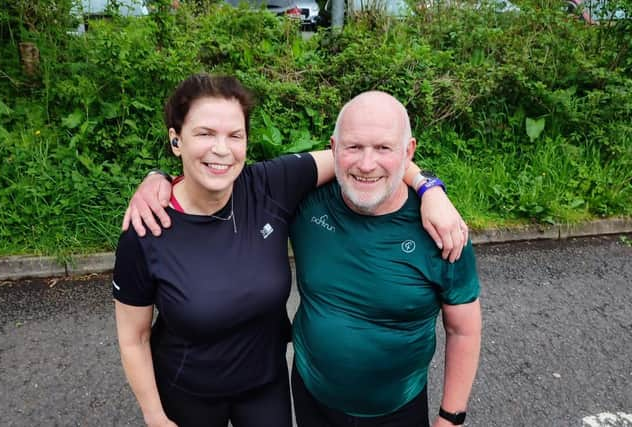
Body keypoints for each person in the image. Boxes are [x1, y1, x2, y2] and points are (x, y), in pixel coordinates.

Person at [117, 74, 469, 427]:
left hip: (264, 387)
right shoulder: (147, 226)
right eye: (204, 133)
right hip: (187, 392)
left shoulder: (270, 186)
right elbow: (134, 336)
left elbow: (364, 157)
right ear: (176, 140)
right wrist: (154, 416)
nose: (221, 149)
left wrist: (429, 188)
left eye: (234, 135)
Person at [288, 91, 482, 427]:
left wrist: (451, 418)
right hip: (311, 397)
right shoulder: (305, 203)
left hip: (398, 410)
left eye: (383, 148)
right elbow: (228, 182)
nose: (366, 164)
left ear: (408, 152)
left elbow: (463, 329)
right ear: (333, 148)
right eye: (353, 147)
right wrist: (162, 178)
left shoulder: (444, 231)